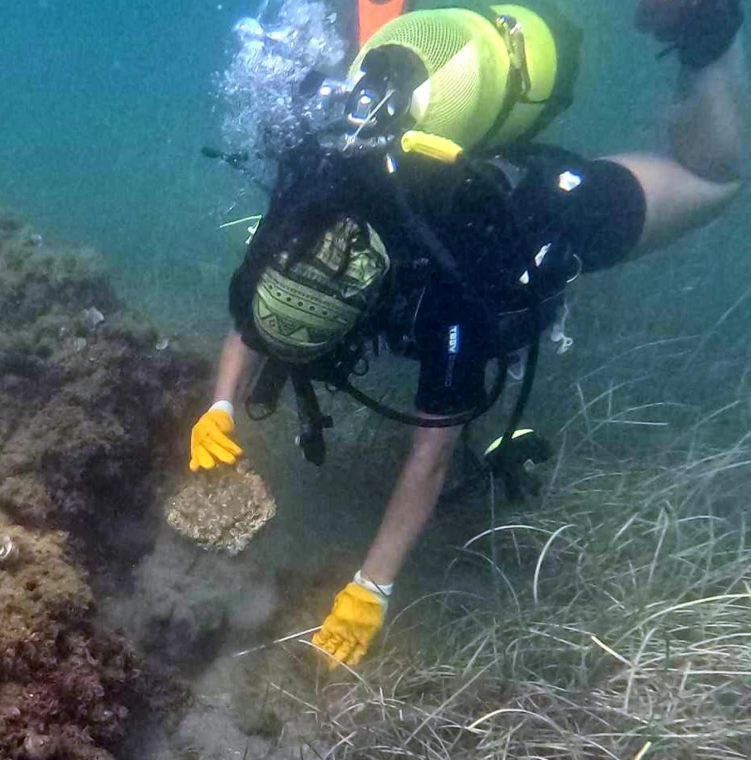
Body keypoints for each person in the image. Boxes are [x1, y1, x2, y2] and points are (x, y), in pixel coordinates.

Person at [191, 0, 745, 669]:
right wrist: (219, 404)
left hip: (531, 217)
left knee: (710, 182)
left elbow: (431, 454)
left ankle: (706, 35)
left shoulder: (453, 289)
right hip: (424, 127)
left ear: (356, 318)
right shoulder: (313, 187)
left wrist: (372, 586)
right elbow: (252, 315)